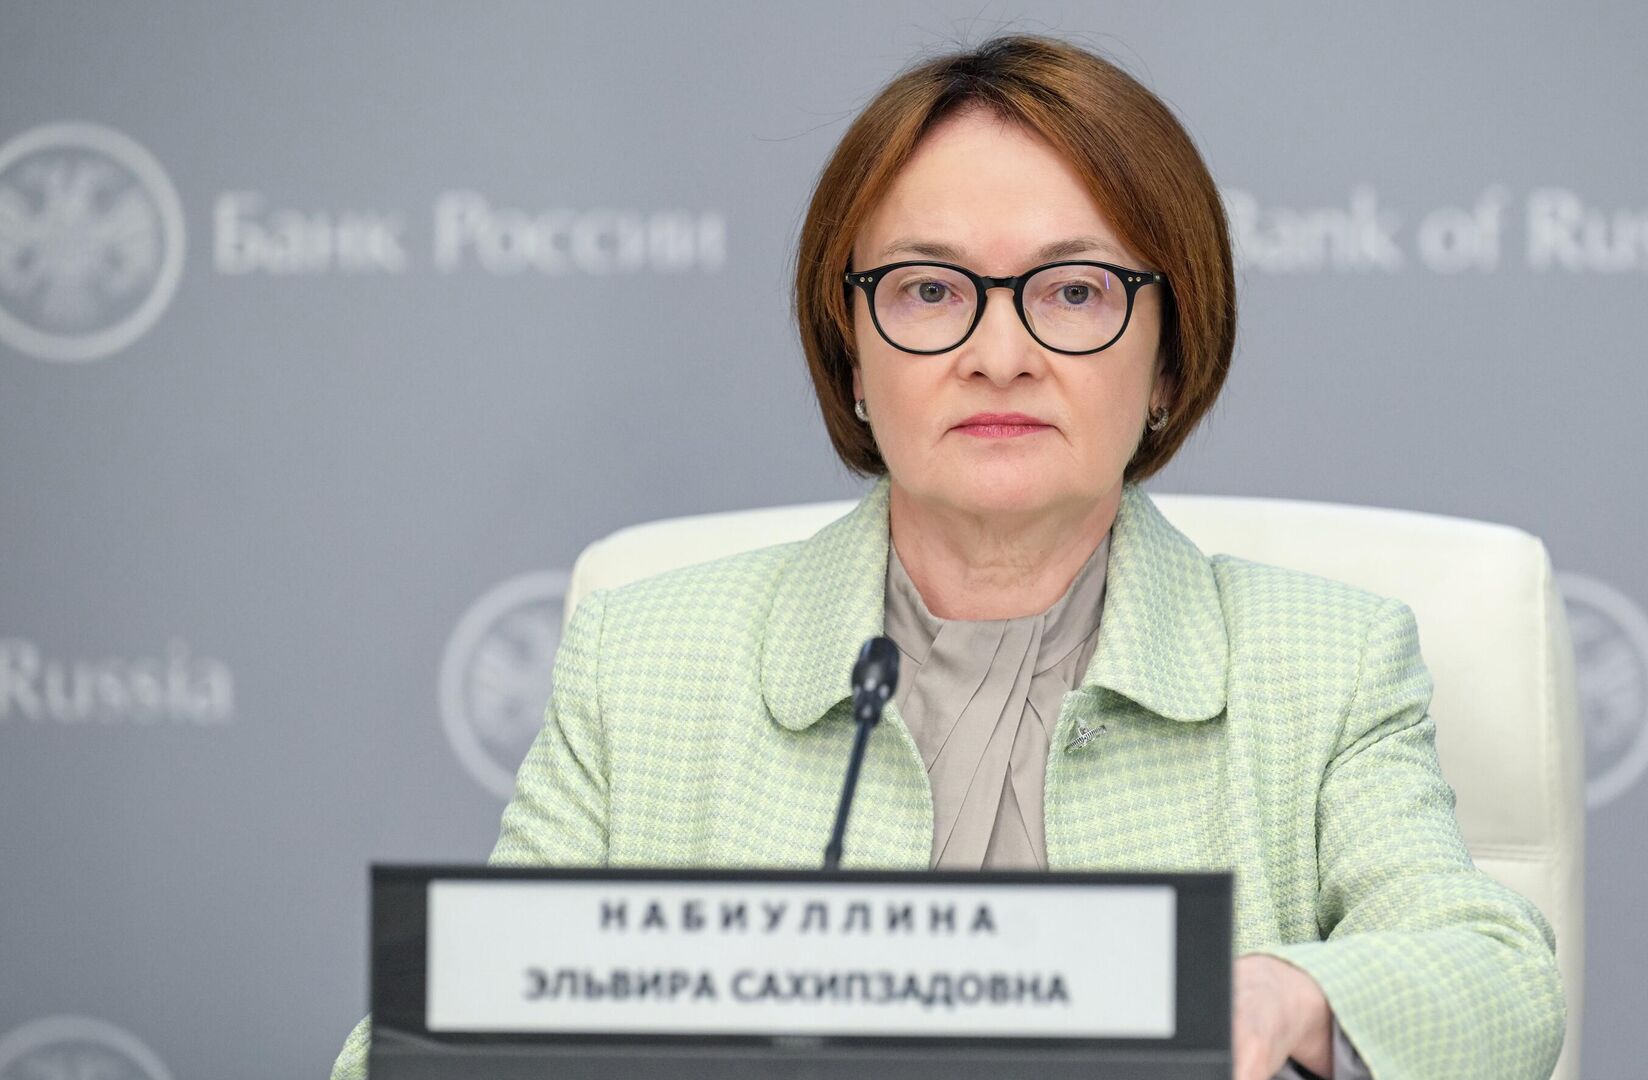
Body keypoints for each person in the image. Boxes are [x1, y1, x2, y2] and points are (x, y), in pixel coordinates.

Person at [331, 34, 1565, 1080]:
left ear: (1170, 356)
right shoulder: (644, 659)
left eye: (1074, 293)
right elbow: (419, 1043)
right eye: (929, 291)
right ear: (852, 353)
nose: (999, 355)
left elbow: (1497, 977)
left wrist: (1286, 994)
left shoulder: (1328, 663)